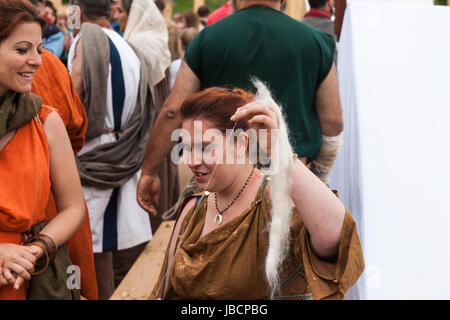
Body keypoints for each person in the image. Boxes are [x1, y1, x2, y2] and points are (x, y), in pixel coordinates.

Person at [149, 85, 364, 299]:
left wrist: (279, 151)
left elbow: (336, 240)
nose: (192, 161)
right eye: (187, 149)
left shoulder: (279, 204)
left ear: (242, 143)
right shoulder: (192, 211)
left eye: (205, 148)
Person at [137, 0, 344, 217]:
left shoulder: (207, 39)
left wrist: (149, 171)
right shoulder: (316, 42)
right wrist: (318, 176)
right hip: (291, 182)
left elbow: (173, 110)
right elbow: (333, 122)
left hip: (223, 186)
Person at [68, 0, 161, 299]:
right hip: (122, 149)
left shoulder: (87, 37)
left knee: (87, 249)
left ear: (77, 11)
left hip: (93, 153)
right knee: (105, 245)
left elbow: (76, 86)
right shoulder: (125, 44)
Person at [0, 0, 86, 299]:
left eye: (39, 49)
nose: (37, 60)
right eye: (22, 49)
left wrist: (36, 248)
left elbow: (73, 207)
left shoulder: (46, 121)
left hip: (26, 275)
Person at [31, 48, 98, 300]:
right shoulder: (49, 60)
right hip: (61, 189)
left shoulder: (45, 116)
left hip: (55, 205)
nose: (33, 60)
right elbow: (78, 127)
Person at [118, 0, 179, 231]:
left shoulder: (135, 46)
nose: (119, 18)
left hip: (145, 123)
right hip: (160, 124)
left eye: (122, 12)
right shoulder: (156, 42)